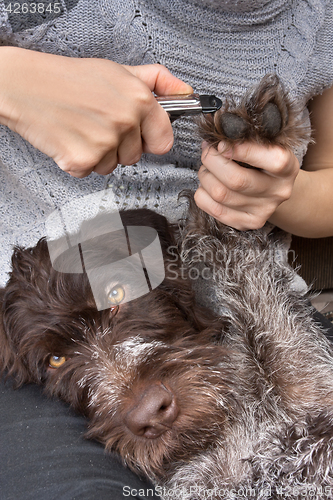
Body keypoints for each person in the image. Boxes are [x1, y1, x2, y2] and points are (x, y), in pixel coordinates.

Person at [0, 0, 332, 498]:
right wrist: (17, 81)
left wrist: (284, 192)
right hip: (29, 315)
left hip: (235, 269)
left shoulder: (320, 20)